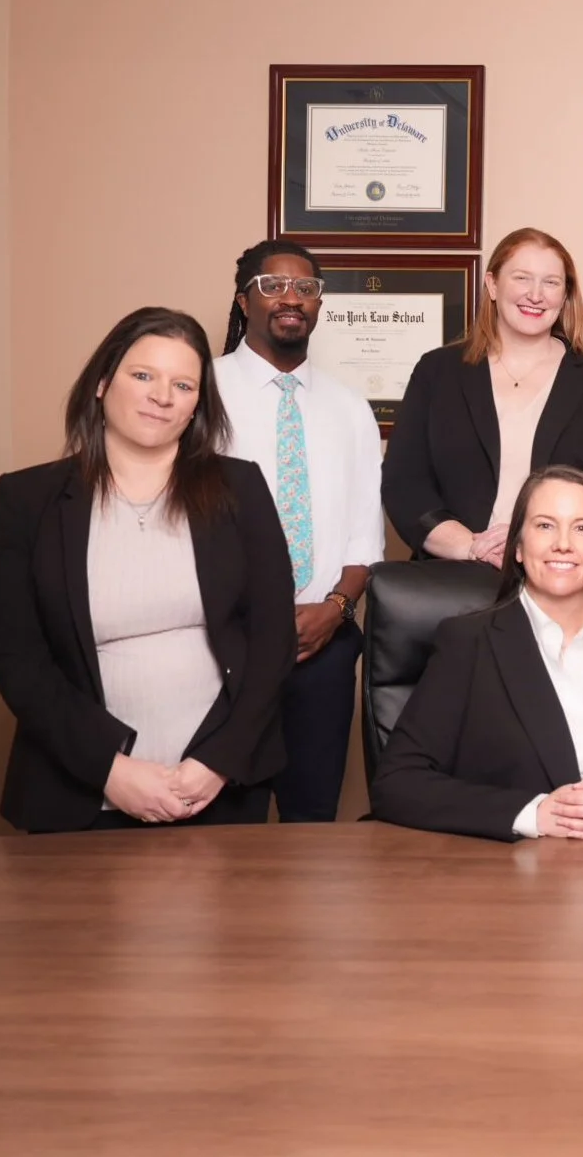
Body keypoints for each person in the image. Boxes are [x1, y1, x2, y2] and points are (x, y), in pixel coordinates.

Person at [0, 307, 296, 832]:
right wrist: (109, 770)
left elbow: (272, 638)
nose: (162, 396)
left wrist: (217, 762)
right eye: (143, 375)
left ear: (196, 406)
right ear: (102, 383)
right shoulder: (26, 499)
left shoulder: (240, 488)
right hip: (78, 791)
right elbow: (18, 658)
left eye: (183, 385)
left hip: (219, 786)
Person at [371, 465, 583, 840]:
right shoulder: (468, 643)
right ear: (517, 547)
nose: (563, 543)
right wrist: (533, 815)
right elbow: (396, 783)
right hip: (510, 865)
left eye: (582, 528)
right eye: (545, 525)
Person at [381, 227, 583, 611]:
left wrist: (542, 543)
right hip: (457, 585)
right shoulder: (437, 372)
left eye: (551, 282)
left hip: (576, 588)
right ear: (492, 284)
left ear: (566, 294)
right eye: (522, 278)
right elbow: (404, 483)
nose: (535, 295)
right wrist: (470, 545)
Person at [215, 240, 385, 823]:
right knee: (224, 825)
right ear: (244, 301)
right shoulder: (200, 393)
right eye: (274, 286)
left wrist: (336, 609)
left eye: (306, 288)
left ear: (319, 305)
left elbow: (365, 534)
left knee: (312, 826)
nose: (292, 298)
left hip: (323, 648)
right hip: (223, 648)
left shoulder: (350, 408)